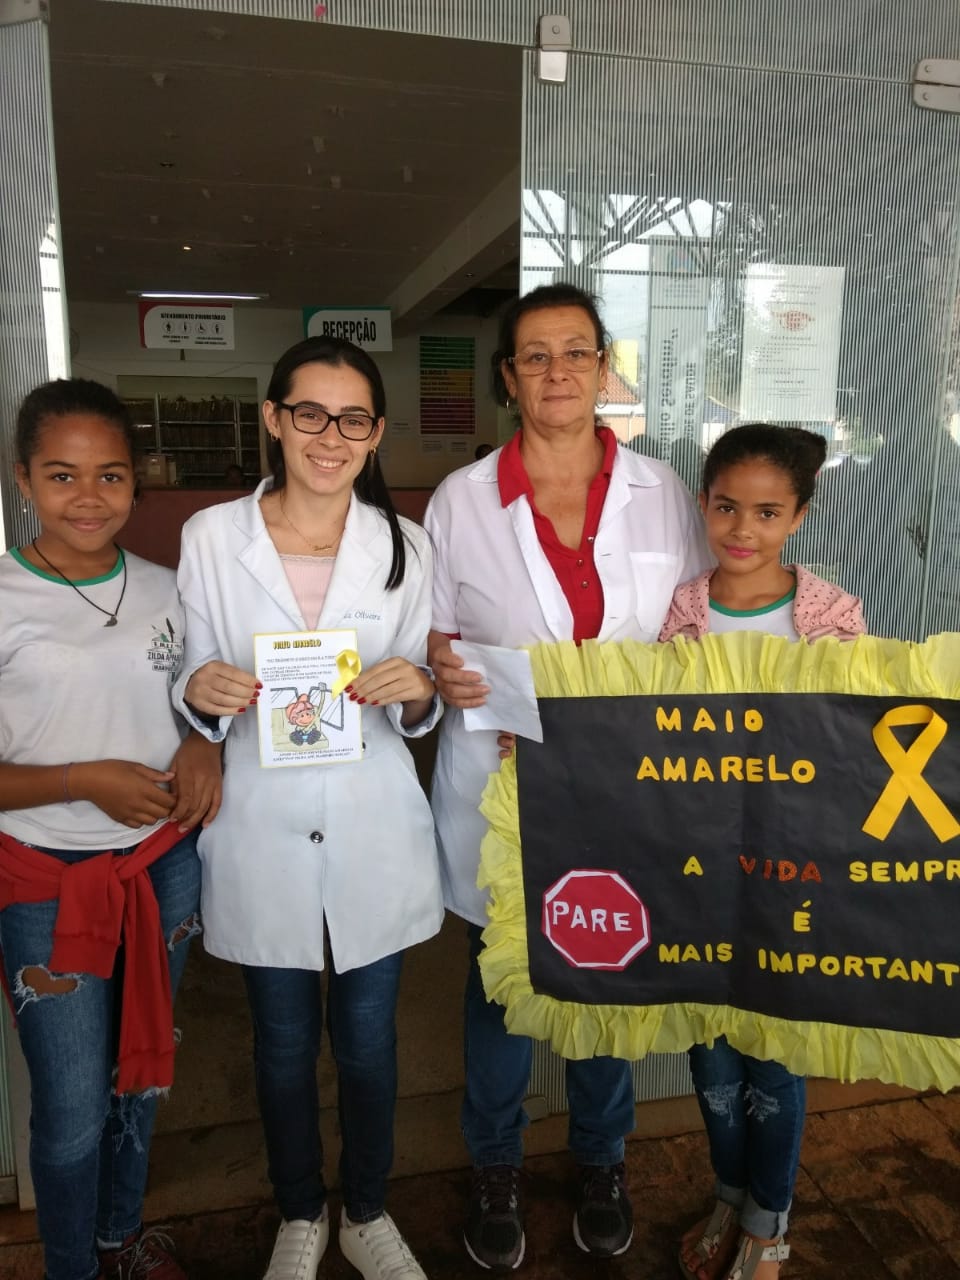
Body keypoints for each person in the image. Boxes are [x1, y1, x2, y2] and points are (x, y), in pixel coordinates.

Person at [424, 282, 711, 1270]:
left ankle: (601, 1158)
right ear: (508, 377)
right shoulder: (461, 499)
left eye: (576, 351)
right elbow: (432, 637)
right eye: (535, 355)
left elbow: (693, 630)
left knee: (607, 973)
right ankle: (495, 1165)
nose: (557, 371)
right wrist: (442, 668)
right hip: (503, 785)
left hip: (626, 789)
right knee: (502, 985)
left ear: (603, 367)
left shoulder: (662, 489)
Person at [171, 335, 443, 1280]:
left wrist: (416, 689)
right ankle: (299, 1212)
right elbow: (192, 679)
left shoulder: (407, 545)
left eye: (353, 419)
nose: (331, 437)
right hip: (263, 826)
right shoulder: (213, 537)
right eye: (311, 414)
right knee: (283, 1046)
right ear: (274, 420)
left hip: (372, 826)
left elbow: (420, 701)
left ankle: (366, 1210)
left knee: (368, 1045)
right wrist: (199, 690)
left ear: (375, 434)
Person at [0, 377, 222, 1280]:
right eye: (62, 476)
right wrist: (80, 780)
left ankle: (118, 1238)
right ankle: (72, 1268)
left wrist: (203, 744)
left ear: (137, 481)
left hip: (163, 867)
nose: (88, 498)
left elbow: (201, 704)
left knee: (144, 1073)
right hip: (45, 883)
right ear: (23, 480)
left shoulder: (171, 591)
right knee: (69, 1111)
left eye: (111, 475)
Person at [660, 423, 866, 1280]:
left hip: (790, 876)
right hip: (700, 870)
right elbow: (641, 733)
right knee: (710, 1047)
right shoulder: (681, 610)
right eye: (726, 508)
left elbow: (851, 750)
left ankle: (768, 1220)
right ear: (703, 505)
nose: (743, 529)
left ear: (800, 516)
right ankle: (729, 1190)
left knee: (774, 1054)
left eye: (768, 512)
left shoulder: (833, 618)